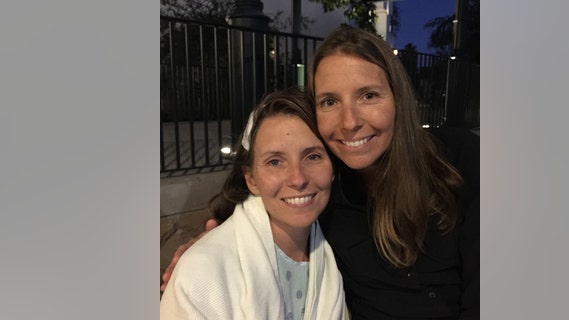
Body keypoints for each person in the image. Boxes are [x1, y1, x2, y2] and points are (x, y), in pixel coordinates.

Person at [163, 25, 479, 319]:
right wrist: (209, 254)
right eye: (329, 101)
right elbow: (268, 203)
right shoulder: (326, 185)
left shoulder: (460, 160)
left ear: (398, 97)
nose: (350, 121)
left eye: (368, 95)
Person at [160, 86, 349, 320]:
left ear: (333, 168)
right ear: (251, 179)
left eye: (312, 156)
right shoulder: (201, 274)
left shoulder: (335, 246)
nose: (298, 179)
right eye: (275, 162)